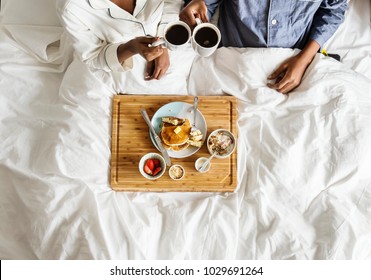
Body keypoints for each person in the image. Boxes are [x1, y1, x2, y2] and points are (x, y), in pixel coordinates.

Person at [180, 0, 348, 94]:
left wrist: (304, 59)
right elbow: (205, 5)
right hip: (235, 63)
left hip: (297, 61)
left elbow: (334, 11)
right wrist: (197, 6)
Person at [58, 0, 180, 81]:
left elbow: (172, 2)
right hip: (123, 69)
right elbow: (93, 56)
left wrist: (163, 41)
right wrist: (131, 47)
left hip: (177, 36)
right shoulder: (71, 8)